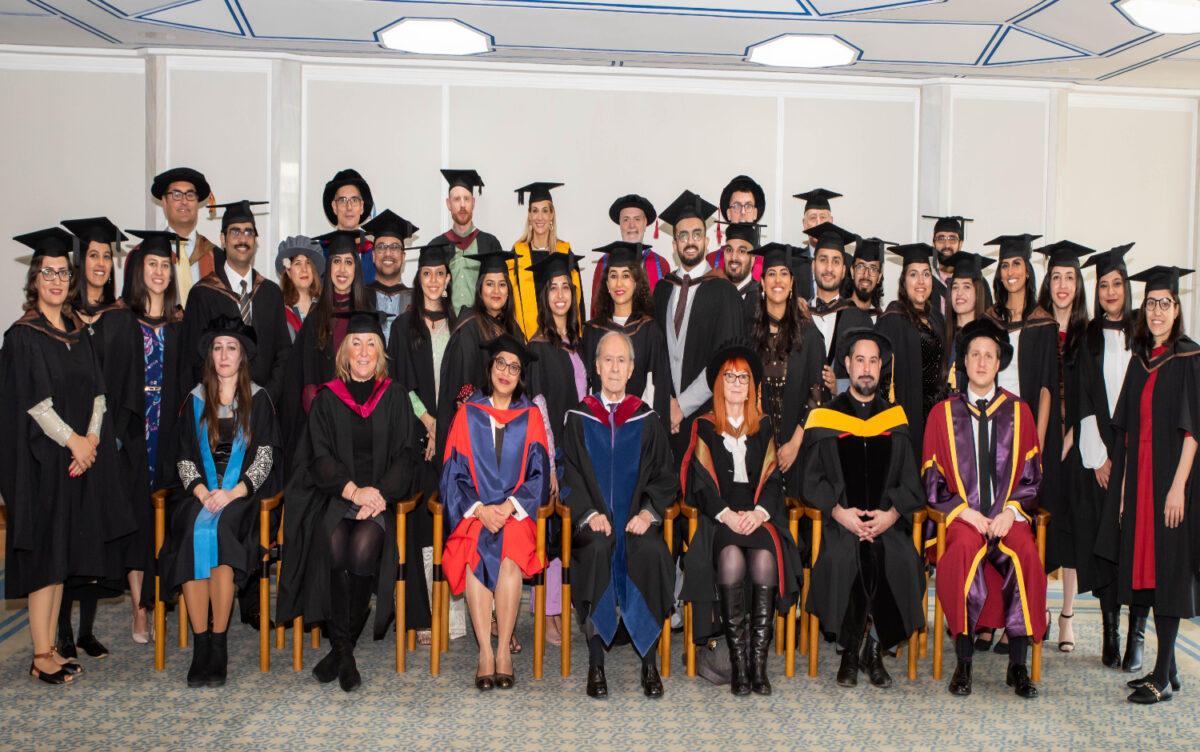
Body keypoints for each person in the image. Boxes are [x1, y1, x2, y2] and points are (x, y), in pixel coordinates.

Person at [2, 227, 135, 684]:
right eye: (48, 273)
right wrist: (75, 442)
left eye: (62, 272)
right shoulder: (23, 336)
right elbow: (35, 405)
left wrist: (92, 441)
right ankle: (41, 655)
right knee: (44, 557)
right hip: (43, 463)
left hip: (78, 462)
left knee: (61, 555)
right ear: (34, 280)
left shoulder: (79, 332)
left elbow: (99, 394)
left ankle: (53, 649)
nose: (56, 280)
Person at [278, 310, 418, 692]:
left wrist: (381, 494)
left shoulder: (395, 397)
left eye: (371, 343)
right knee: (335, 544)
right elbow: (318, 458)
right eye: (355, 343)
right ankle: (345, 650)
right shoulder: (327, 399)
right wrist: (353, 491)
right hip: (340, 497)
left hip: (379, 501)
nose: (363, 351)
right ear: (344, 351)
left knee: (361, 549)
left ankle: (340, 648)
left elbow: (408, 455)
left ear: (380, 352)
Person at [923, 318, 1046, 699]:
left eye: (989, 355)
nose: (981, 361)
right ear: (964, 361)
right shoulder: (941, 414)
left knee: (1025, 551)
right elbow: (932, 479)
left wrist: (1010, 512)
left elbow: (1031, 474)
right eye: (974, 354)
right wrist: (966, 512)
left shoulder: (1019, 411)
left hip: (1007, 517)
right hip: (965, 518)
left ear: (998, 363)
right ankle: (963, 662)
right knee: (961, 549)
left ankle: (1018, 666)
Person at [1096, 265, 1200, 704]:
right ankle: (1168, 667)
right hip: (1138, 484)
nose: (1157, 312)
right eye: (1152, 303)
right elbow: (1124, 433)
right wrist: (1122, 493)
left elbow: (1193, 431)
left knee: (1170, 572)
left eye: (1166, 304)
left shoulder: (1190, 359)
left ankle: (1161, 675)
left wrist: (1178, 487)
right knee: (1148, 573)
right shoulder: (1140, 361)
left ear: (1177, 310)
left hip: (1170, 485)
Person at [801, 329, 926, 688]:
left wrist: (890, 516)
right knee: (844, 558)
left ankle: (862, 652)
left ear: (881, 367)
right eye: (860, 360)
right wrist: (839, 512)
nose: (866, 368)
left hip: (887, 525)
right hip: (842, 524)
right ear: (847, 365)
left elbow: (911, 484)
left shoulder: (895, 419)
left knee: (899, 559)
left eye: (873, 361)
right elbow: (809, 482)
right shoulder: (826, 418)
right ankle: (859, 651)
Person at [160, 315, 280, 687]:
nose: (224, 355)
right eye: (217, 348)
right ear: (209, 356)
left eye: (232, 348)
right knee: (191, 535)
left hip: (241, 497)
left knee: (225, 531)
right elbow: (182, 457)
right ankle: (202, 645)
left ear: (243, 356)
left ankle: (220, 642)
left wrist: (232, 492)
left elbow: (264, 458)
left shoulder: (258, 400)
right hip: (197, 494)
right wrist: (200, 491)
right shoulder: (194, 401)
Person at [560, 330, 679, 698]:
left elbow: (665, 476)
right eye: (607, 360)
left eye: (621, 361)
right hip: (593, 524)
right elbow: (568, 474)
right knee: (597, 549)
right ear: (596, 366)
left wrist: (648, 513)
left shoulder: (646, 420)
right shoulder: (579, 418)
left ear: (631, 370)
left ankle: (649, 663)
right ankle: (596, 661)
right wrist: (588, 512)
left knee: (652, 552)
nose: (614, 368)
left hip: (634, 523)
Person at [680, 341, 800, 696]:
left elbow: (775, 479)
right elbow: (699, 483)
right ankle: (737, 666)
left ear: (751, 386)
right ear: (719, 384)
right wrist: (727, 515)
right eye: (729, 377)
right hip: (720, 516)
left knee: (764, 557)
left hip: (758, 513)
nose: (736, 383)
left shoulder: (763, 426)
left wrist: (760, 513)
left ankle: (757, 666)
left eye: (743, 378)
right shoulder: (703, 426)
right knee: (731, 557)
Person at [440, 335, 550, 690]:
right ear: (490, 367)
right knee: (474, 548)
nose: (505, 371)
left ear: (521, 375)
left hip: (515, 514)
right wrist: (478, 509)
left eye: (514, 367)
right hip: (475, 512)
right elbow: (452, 474)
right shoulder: (468, 413)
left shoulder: (530, 416)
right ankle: (484, 652)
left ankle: (503, 650)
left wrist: (508, 507)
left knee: (508, 555)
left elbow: (539, 474)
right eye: (500, 363)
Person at [59, 217, 136, 657]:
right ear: (79, 260)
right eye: (93, 255)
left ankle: (85, 630)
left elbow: (129, 383)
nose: (102, 263)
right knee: (68, 535)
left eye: (107, 256)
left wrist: (117, 438)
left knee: (97, 537)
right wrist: (76, 439)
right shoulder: (61, 316)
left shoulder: (121, 318)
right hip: (69, 444)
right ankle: (61, 631)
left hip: (106, 444)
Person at [983, 234, 1061, 642]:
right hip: (990, 435)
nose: (1011, 272)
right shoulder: (990, 320)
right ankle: (991, 612)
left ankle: (1027, 614)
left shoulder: (1044, 322)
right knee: (990, 524)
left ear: (1029, 271)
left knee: (1021, 528)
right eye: (1005, 265)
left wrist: (1038, 447)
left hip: (1026, 437)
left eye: (1018, 265)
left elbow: (1046, 389)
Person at [387, 238, 460, 646]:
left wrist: (445, 424)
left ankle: (453, 614)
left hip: (454, 435)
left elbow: (465, 383)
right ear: (420, 278)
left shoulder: (459, 323)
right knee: (418, 523)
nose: (433, 280)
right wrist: (430, 423)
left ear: (448, 279)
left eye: (439, 274)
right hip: (418, 436)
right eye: (427, 274)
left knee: (453, 520)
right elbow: (399, 384)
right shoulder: (403, 326)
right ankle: (421, 615)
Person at [121, 231, 189, 643]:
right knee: (137, 517)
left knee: (172, 513)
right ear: (139, 271)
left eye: (165, 265)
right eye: (153, 265)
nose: (160, 272)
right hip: (134, 429)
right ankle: (138, 608)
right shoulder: (122, 322)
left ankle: (166, 596)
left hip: (172, 429)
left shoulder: (180, 326)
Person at [1077, 244, 1141, 671]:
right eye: (1104, 285)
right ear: (1097, 291)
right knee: (1105, 544)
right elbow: (1083, 397)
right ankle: (1110, 632)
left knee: (1137, 544)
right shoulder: (1088, 338)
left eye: (1117, 283)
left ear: (1126, 289)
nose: (1111, 291)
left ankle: (1136, 636)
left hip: (1139, 452)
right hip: (1102, 451)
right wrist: (1098, 456)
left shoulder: (1145, 335)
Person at [1034, 239, 1096, 655]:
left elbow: (1090, 396)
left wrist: (1067, 441)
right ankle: (1031, 611)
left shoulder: (1087, 335)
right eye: (1056, 276)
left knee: (1070, 532)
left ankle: (1068, 615)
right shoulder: (1036, 328)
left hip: (1071, 448)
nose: (1062, 284)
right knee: (1036, 530)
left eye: (1069, 277)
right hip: (1039, 446)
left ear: (1078, 285)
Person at [652, 189, 746, 463]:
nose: (690, 241)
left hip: (709, 419)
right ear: (674, 244)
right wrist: (666, 405)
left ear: (706, 241)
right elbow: (655, 355)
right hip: (665, 418)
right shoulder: (662, 290)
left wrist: (681, 406)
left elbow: (726, 360)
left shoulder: (724, 291)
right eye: (683, 235)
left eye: (695, 234)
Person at [524, 250, 588, 646]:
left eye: (566, 286)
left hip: (583, 451)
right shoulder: (539, 345)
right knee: (548, 535)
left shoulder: (580, 341)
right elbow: (539, 407)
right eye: (554, 288)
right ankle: (546, 616)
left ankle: (567, 605)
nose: (560, 294)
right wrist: (548, 463)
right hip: (556, 455)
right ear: (544, 296)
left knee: (573, 532)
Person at [180, 200, 290, 403]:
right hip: (216, 408)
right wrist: (221, 399)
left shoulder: (270, 293)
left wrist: (266, 397)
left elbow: (283, 354)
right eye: (235, 232)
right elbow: (193, 359)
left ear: (255, 241)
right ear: (222, 239)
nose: (243, 239)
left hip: (265, 405)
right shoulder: (202, 294)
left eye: (249, 233)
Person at [283, 230, 374, 473]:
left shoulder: (368, 317)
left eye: (348, 262)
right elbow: (306, 383)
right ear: (327, 268)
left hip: (363, 430)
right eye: (336, 261)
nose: (342, 270)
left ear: (356, 268)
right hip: (322, 433)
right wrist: (327, 426)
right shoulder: (315, 320)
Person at [746, 242, 824, 491]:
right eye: (771, 274)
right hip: (757, 449)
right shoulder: (750, 336)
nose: (777, 280)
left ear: (792, 283)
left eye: (783, 274)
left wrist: (794, 444)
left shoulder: (809, 335)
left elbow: (818, 394)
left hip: (798, 451)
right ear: (762, 282)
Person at [582, 241, 672, 419]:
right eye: (613, 276)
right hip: (600, 424)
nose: (619, 284)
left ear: (636, 282)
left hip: (639, 426)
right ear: (606, 284)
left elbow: (656, 388)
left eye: (626, 275)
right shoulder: (592, 331)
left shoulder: (650, 331)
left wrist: (645, 427)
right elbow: (587, 387)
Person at [876, 243, 945, 461]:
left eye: (926, 274)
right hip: (905, 418)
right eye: (914, 274)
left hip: (934, 419)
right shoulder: (892, 320)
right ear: (904, 281)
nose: (921, 281)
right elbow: (883, 383)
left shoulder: (938, 321)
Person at [805, 222, 872, 397]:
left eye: (835, 262)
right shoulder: (798, 314)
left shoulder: (859, 320)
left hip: (843, 418)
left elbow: (869, 376)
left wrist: (840, 388)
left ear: (843, 271)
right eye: (823, 260)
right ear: (813, 266)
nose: (828, 268)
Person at [509, 182, 583, 337]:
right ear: (529, 215)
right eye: (535, 211)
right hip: (525, 341)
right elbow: (509, 302)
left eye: (545, 211)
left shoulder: (564, 252)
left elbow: (577, 302)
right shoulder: (517, 254)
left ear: (552, 214)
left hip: (561, 339)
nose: (539, 217)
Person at [588, 194, 670, 310]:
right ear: (620, 223)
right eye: (626, 219)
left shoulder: (660, 264)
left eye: (637, 219)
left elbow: (665, 311)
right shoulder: (604, 263)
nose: (631, 225)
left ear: (645, 222)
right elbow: (595, 309)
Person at [440, 168, 504, 312]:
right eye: (456, 199)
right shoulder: (437, 246)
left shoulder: (490, 244)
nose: (462, 205)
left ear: (473, 202)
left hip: (481, 328)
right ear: (448, 204)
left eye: (467, 199)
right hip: (448, 328)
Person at [149, 166, 216, 302]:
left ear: (197, 203)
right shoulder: (143, 254)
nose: (184, 201)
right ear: (164, 202)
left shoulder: (216, 256)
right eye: (177, 195)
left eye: (190, 195)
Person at [939, 251, 994, 393]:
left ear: (978, 292)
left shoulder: (988, 339)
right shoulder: (943, 335)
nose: (959, 293)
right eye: (955, 287)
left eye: (967, 287)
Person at [361, 209, 418, 343]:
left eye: (395, 247)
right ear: (373, 256)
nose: (388, 253)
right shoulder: (359, 298)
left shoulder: (417, 300)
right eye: (381, 247)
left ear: (403, 257)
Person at [321, 168, 377, 283]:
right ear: (334, 207)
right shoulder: (320, 251)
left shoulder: (374, 254)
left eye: (354, 200)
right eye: (343, 200)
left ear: (362, 206)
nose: (349, 207)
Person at [708, 175, 766, 280]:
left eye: (748, 206)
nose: (742, 212)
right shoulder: (712, 260)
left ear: (755, 213)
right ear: (728, 213)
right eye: (737, 206)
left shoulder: (768, 263)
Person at [919, 215, 978, 316]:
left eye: (952, 238)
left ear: (960, 244)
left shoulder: (976, 282)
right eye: (941, 238)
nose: (947, 245)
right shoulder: (923, 283)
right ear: (933, 244)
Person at [790, 188, 842, 300]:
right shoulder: (793, 263)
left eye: (823, 217)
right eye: (813, 218)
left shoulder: (846, 262)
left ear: (831, 221)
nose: (818, 223)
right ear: (804, 224)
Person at [276, 235, 323, 341]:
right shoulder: (280, 313)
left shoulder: (325, 308)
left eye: (308, 263)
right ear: (288, 271)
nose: (304, 269)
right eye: (297, 263)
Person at [721, 222, 763, 301]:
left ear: (752, 258)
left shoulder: (762, 299)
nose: (733, 257)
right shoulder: (715, 294)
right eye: (729, 250)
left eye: (742, 251)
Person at [846, 237, 886, 320]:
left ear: (879, 277)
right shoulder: (838, 313)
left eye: (873, 269)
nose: (866, 274)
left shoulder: (882, 321)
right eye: (861, 266)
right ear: (852, 272)